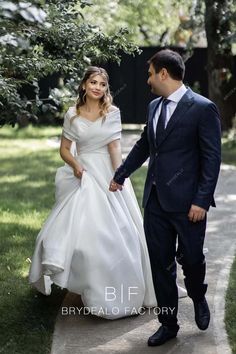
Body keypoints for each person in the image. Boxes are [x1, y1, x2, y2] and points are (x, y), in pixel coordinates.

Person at [110, 49, 221, 344]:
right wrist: (121, 174)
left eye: (149, 73)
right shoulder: (154, 107)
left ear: (163, 73)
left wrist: (201, 200)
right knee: (160, 264)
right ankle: (168, 323)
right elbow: (145, 144)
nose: (147, 79)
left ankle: (198, 296)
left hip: (188, 204)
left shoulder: (202, 108)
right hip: (156, 201)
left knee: (193, 260)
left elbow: (211, 159)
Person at [29, 66, 159, 319]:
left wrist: (118, 176)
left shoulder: (111, 112)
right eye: (93, 83)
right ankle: (84, 279)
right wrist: (76, 165)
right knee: (77, 228)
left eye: (102, 84)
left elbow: (114, 148)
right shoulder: (72, 115)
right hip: (83, 172)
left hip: (107, 173)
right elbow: (65, 149)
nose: (97, 87)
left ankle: (114, 287)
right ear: (84, 85)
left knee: (116, 230)